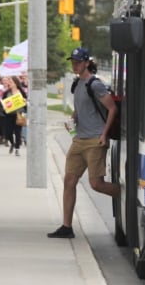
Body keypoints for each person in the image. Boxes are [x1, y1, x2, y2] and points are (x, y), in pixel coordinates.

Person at [48, 47, 119, 239]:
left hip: (95, 140)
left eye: (78, 62)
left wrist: (104, 135)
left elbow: (112, 109)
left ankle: (126, 195)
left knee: (96, 184)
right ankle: (66, 226)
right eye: (73, 62)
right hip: (79, 140)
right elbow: (80, 109)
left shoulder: (95, 84)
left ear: (87, 63)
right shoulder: (77, 83)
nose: (75, 65)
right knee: (69, 181)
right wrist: (72, 120)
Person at [1, 76, 27, 157]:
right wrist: (4, 107)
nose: (9, 83)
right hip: (9, 114)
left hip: (19, 114)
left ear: (15, 83)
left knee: (18, 132)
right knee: (8, 133)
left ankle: (17, 149)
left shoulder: (21, 92)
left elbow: (26, 102)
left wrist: (25, 102)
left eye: (11, 81)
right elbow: (3, 102)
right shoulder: (6, 93)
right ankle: (12, 143)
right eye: (9, 81)